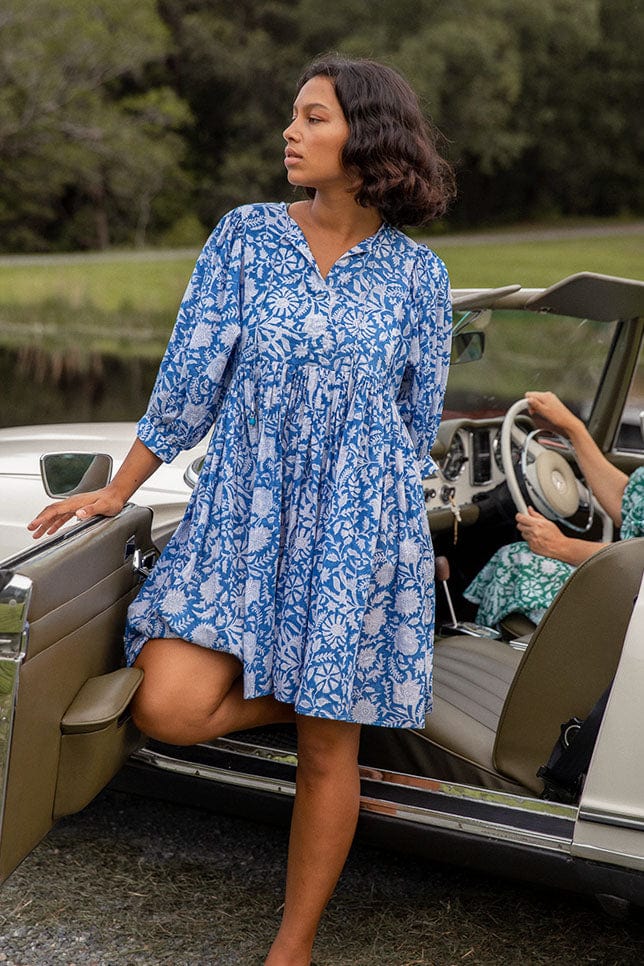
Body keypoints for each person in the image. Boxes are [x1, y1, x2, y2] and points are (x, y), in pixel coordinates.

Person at [28, 56, 454, 965]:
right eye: (292, 119)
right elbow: (189, 378)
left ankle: (291, 947)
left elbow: (414, 426)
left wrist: (392, 548)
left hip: (352, 527)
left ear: (366, 137)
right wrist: (119, 488)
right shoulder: (246, 235)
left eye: (312, 119)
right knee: (170, 708)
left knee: (327, 751)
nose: (290, 135)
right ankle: (332, 692)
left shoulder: (419, 278)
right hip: (238, 518)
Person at [464, 390, 644, 628]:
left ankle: (499, 651)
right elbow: (629, 500)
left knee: (516, 560)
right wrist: (573, 428)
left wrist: (560, 546)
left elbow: (639, 559)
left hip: (632, 606)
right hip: (629, 586)